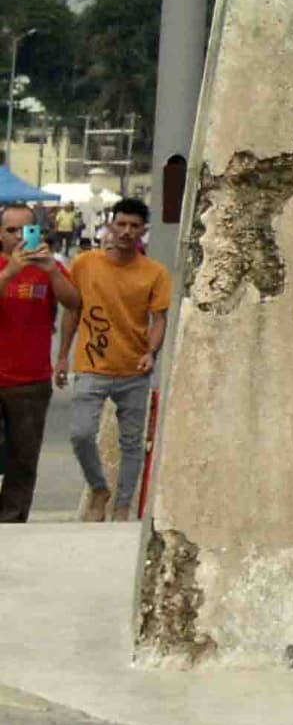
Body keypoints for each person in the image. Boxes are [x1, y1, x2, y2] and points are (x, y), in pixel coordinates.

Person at [60, 196, 169, 522]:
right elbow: (72, 311)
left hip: (134, 369)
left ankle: (122, 506)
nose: (126, 231)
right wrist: (62, 356)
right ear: (110, 225)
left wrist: (151, 353)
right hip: (91, 366)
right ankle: (99, 488)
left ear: (143, 231)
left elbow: (159, 319)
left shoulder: (155, 272)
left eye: (134, 226)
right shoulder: (85, 264)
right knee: (80, 433)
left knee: (132, 443)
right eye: (121, 224)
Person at [0, 203, 77, 522]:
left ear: (38, 232)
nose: (19, 237)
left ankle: (11, 523)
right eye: (11, 230)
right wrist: (10, 272)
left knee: (23, 460)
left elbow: (74, 302)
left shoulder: (50, 267)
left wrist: (51, 271)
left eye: (26, 230)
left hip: (31, 380)